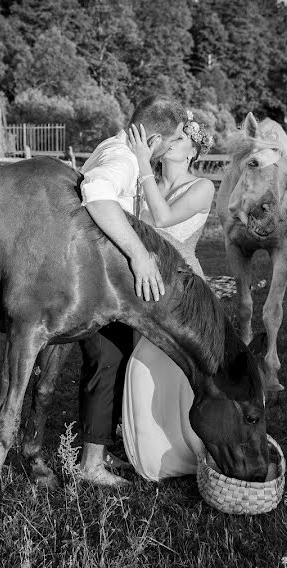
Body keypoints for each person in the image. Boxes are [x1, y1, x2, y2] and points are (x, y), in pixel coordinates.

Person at [77, 96, 188, 486]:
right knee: (105, 363)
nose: (174, 148)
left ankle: (101, 448)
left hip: (108, 288)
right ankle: (90, 465)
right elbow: (97, 192)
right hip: (95, 288)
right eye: (173, 141)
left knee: (115, 360)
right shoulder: (123, 159)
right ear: (155, 139)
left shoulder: (118, 147)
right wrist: (140, 256)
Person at [120, 111, 216, 481]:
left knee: (173, 372)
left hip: (182, 290)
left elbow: (160, 220)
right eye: (169, 138)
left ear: (192, 151)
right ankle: (149, 448)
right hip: (143, 286)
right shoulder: (149, 183)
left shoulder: (203, 187)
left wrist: (143, 163)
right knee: (144, 365)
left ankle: (188, 446)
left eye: (179, 139)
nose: (170, 142)